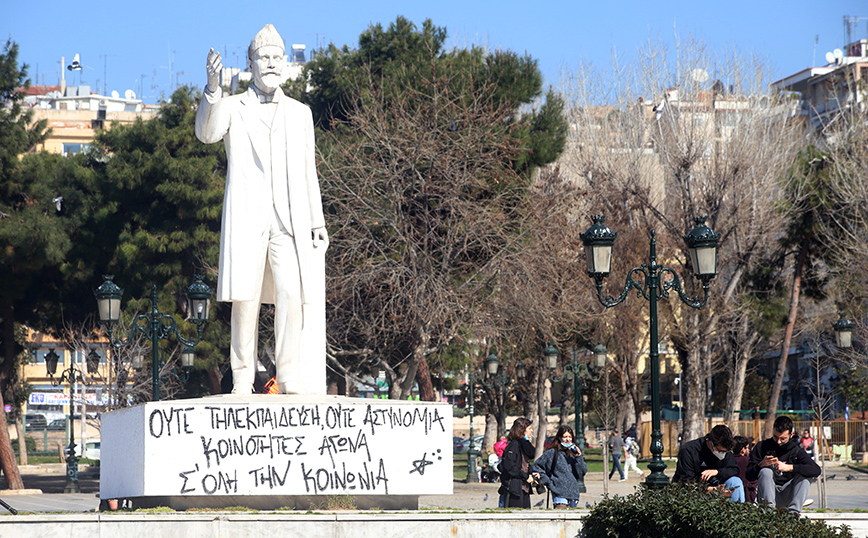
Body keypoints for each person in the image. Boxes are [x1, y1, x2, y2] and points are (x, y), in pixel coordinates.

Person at [196, 24, 329, 395]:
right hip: (247, 218)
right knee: (246, 298)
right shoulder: (231, 106)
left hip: (290, 220)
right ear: (250, 64)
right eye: (263, 57)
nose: (270, 63)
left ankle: (287, 375)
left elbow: (309, 170)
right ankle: (242, 376)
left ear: (284, 63)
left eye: (276, 57)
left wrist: (317, 221)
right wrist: (212, 89)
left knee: (291, 294)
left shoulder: (300, 113)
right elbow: (207, 134)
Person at [747, 416, 820, 515]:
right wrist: (761, 465)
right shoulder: (762, 446)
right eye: (775, 437)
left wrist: (789, 467)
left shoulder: (796, 450)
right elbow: (748, 475)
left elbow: (816, 470)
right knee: (765, 471)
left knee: (804, 475)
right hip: (767, 494)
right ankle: (769, 513)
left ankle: (793, 514)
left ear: (791, 434)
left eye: (783, 438)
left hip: (788, 493)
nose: (778, 442)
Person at [672, 424, 745, 502]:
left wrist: (717, 472)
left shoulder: (725, 449)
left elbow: (734, 469)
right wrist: (712, 490)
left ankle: (737, 507)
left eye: (726, 451)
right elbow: (686, 481)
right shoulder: (689, 450)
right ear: (711, 444)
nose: (723, 454)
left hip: (716, 485)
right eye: (721, 451)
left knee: (736, 481)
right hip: (693, 489)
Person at [531, 425, 588, 508]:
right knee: (560, 515)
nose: (568, 439)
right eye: (565, 437)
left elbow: (581, 472)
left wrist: (578, 457)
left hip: (573, 494)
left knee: (572, 516)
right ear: (560, 438)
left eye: (570, 437)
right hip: (559, 494)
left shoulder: (573, 454)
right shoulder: (552, 453)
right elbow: (536, 467)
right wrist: (549, 483)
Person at [498, 418, 539, 508]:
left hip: (524, 486)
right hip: (515, 487)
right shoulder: (514, 445)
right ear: (522, 430)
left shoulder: (523, 444)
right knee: (516, 512)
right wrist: (525, 476)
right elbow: (510, 466)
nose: (531, 431)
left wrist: (531, 473)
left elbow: (525, 462)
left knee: (525, 513)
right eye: (529, 429)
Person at [733, 435, 757, 503]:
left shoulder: (729, 460)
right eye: (748, 447)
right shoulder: (747, 461)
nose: (749, 450)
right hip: (747, 496)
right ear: (743, 450)